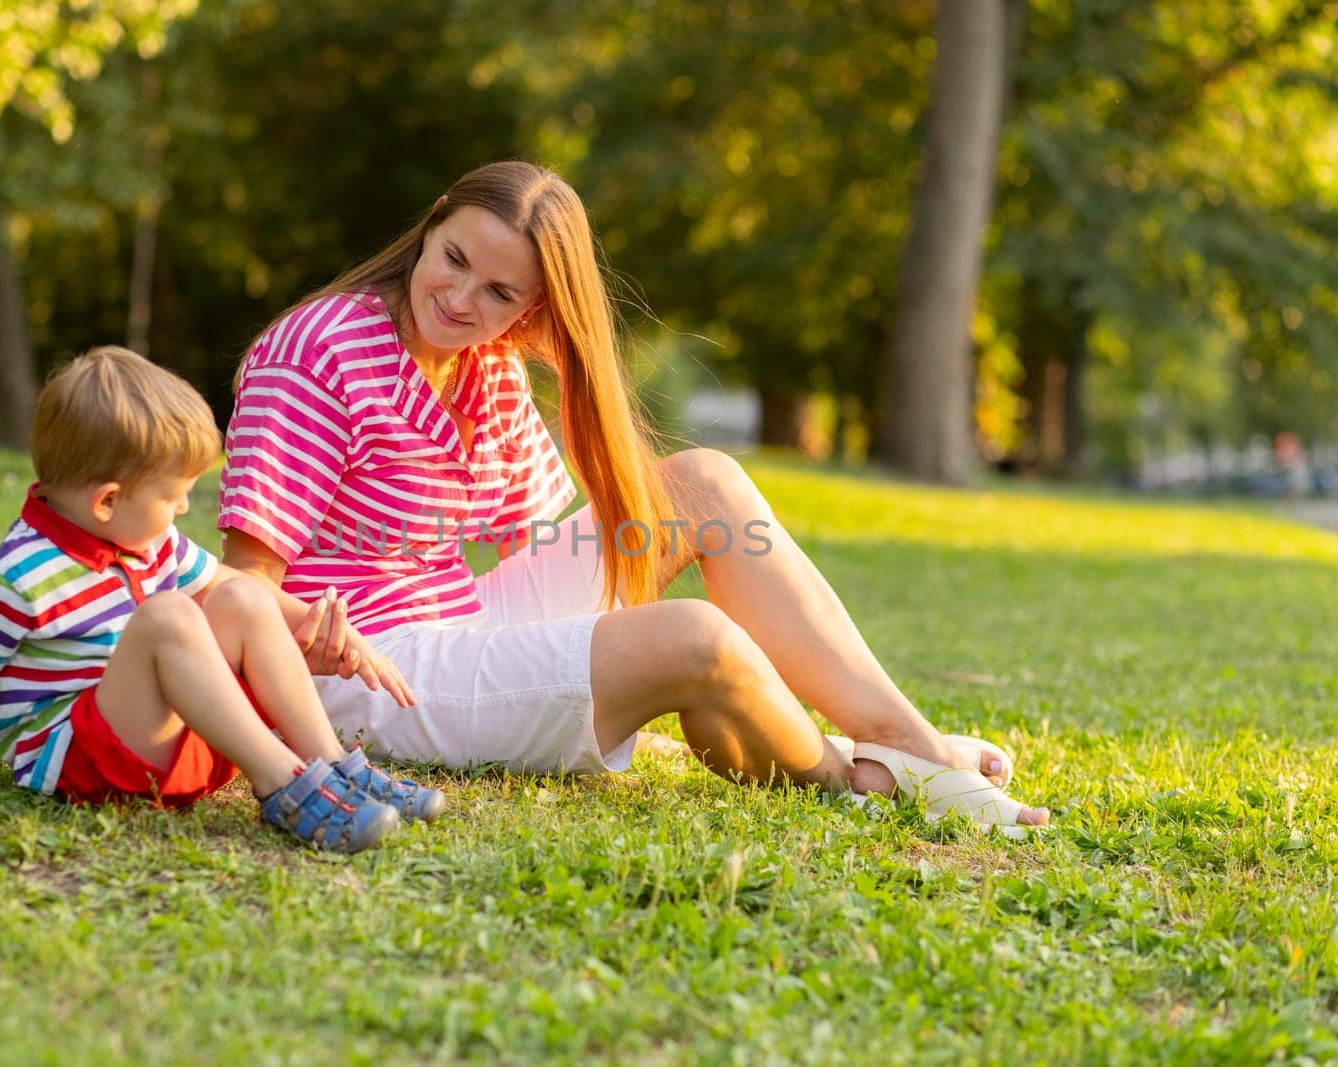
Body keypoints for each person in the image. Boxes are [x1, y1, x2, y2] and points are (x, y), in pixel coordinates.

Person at [219, 161, 1049, 831]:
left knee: (704, 483)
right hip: (362, 669)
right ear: (432, 223)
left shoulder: (486, 362)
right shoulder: (318, 351)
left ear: (535, 305)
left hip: (458, 619)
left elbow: (531, 552)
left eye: (502, 294)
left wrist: (577, 659)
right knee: (694, 639)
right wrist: (631, 656)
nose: (462, 300)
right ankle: (858, 776)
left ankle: (904, 735)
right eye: (455, 259)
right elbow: (244, 588)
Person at [0, 346, 446, 852]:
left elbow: (233, 589)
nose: (185, 511)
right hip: (82, 762)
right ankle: (285, 787)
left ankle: (336, 769)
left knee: (242, 595)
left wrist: (335, 634)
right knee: (169, 615)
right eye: (174, 497)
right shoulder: (21, 574)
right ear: (106, 502)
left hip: (165, 739)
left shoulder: (148, 538)